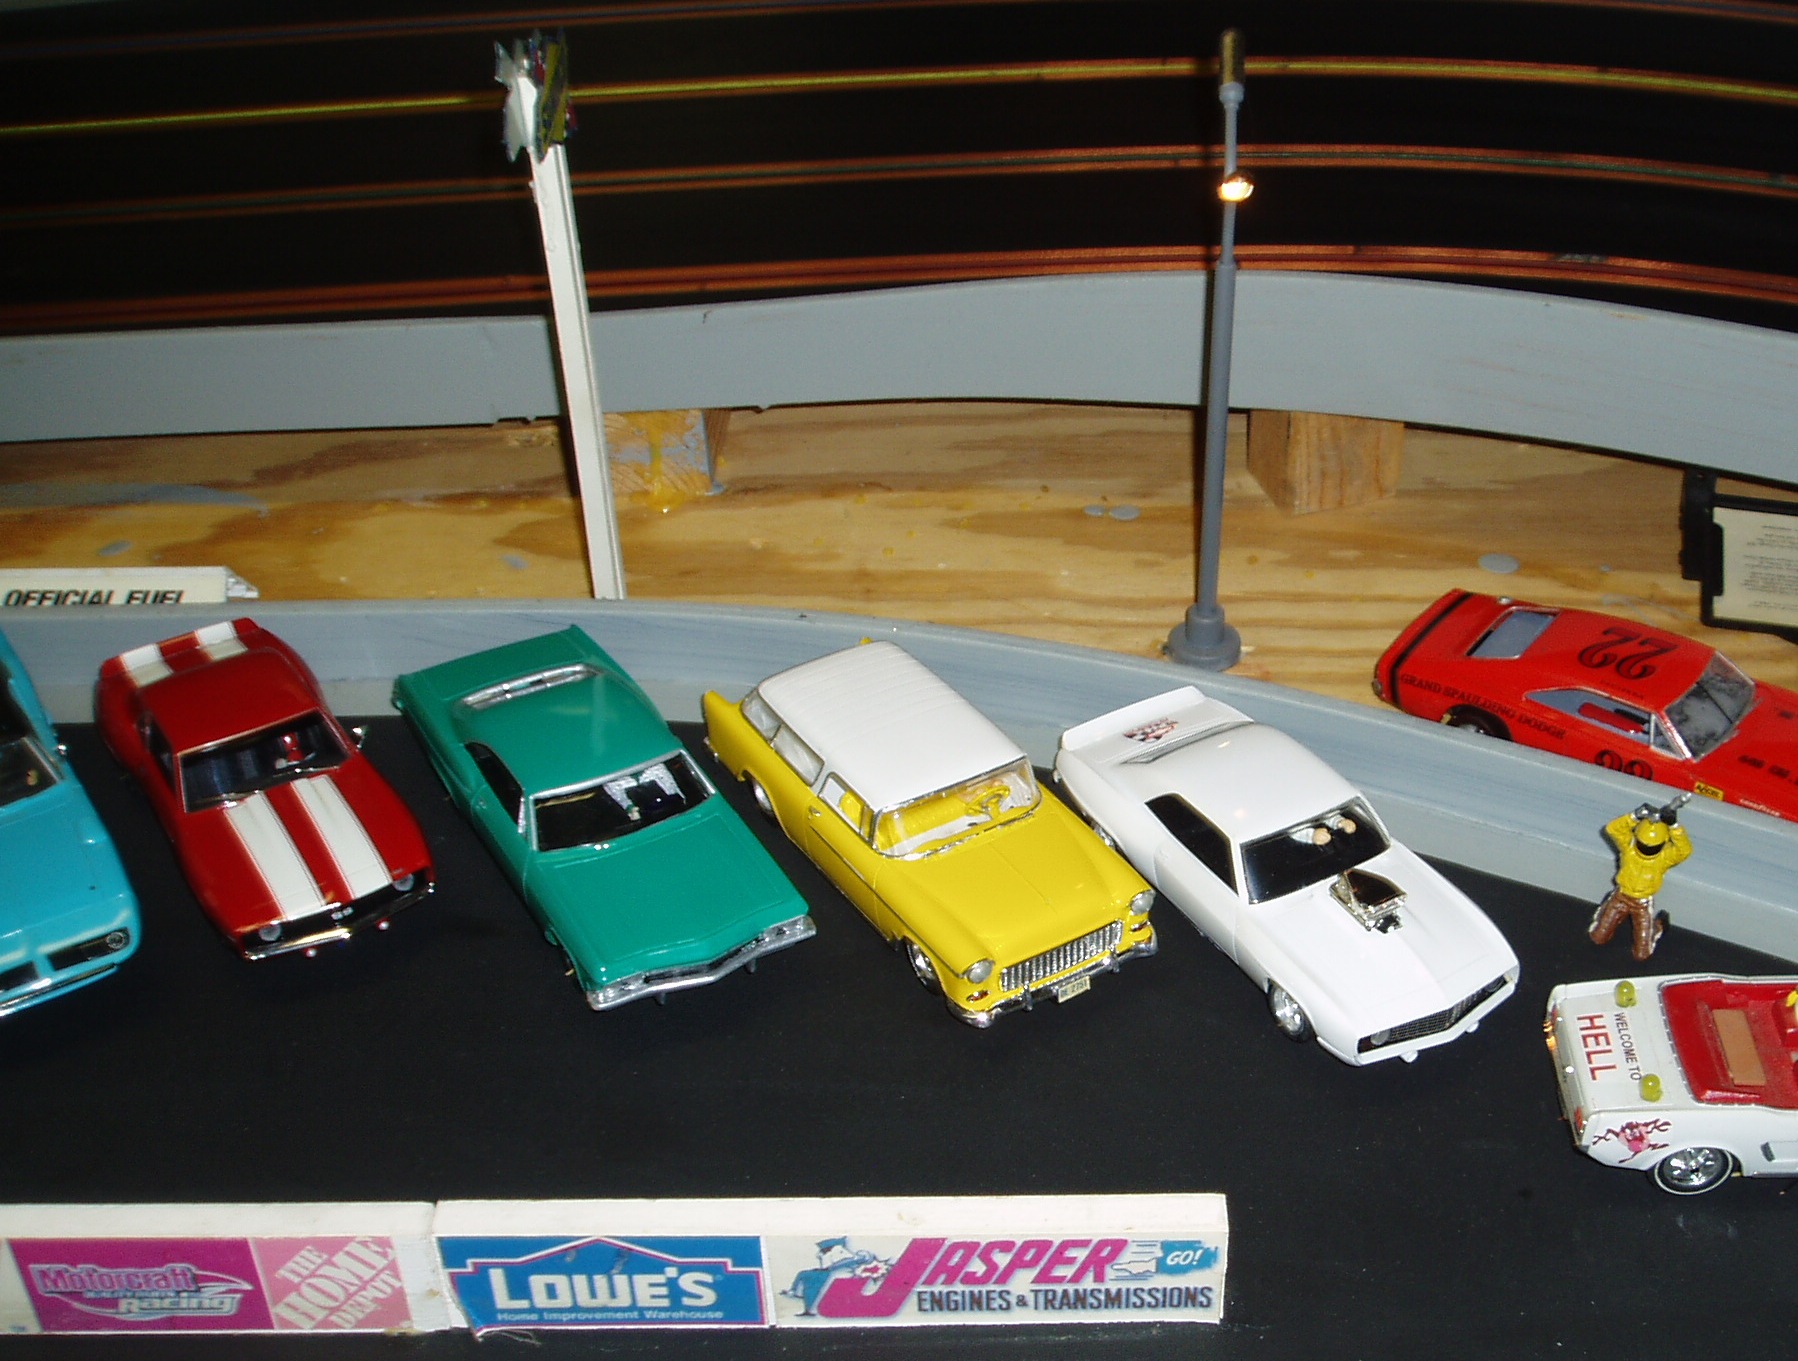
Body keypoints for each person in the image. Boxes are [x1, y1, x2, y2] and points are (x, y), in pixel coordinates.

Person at [1590, 798, 1692, 962]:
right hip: (1621, 896)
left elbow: (1685, 850)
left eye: (1652, 847)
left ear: (1662, 844)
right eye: (1643, 844)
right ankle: (1605, 910)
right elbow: (1612, 829)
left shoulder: (1665, 857)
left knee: (1642, 954)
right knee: (1598, 937)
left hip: (1642, 904)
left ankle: (1658, 926)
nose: (1646, 849)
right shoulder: (1629, 846)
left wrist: (1674, 825)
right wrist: (1635, 815)